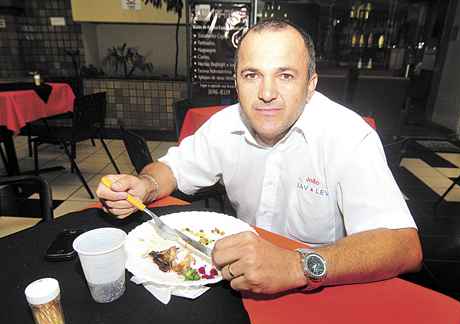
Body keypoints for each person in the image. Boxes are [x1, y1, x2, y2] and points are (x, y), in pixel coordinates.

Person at [96, 19, 422, 294]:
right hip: (240, 281)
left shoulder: (348, 136)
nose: (267, 93)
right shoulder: (225, 125)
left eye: (285, 75)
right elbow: (171, 169)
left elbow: (404, 247)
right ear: (236, 82)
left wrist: (298, 265)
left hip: (323, 284)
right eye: (252, 75)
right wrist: (146, 185)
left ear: (310, 85)